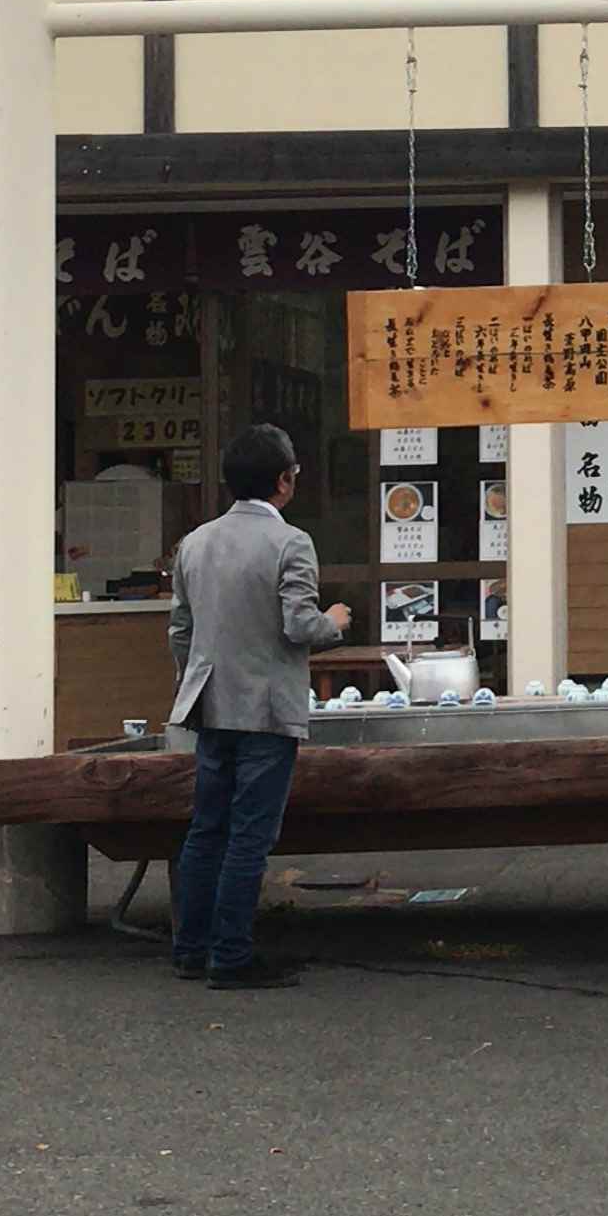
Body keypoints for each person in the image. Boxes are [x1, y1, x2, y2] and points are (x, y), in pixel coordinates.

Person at [164, 423, 352, 989]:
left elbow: (180, 630)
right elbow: (299, 626)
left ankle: (189, 949)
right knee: (250, 835)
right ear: (284, 481)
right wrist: (336, 623)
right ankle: (232, 956)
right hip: (267, 709)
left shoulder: (195, 542)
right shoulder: (291, 542)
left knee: (206, 829)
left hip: (209, 701)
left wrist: (193, 679)